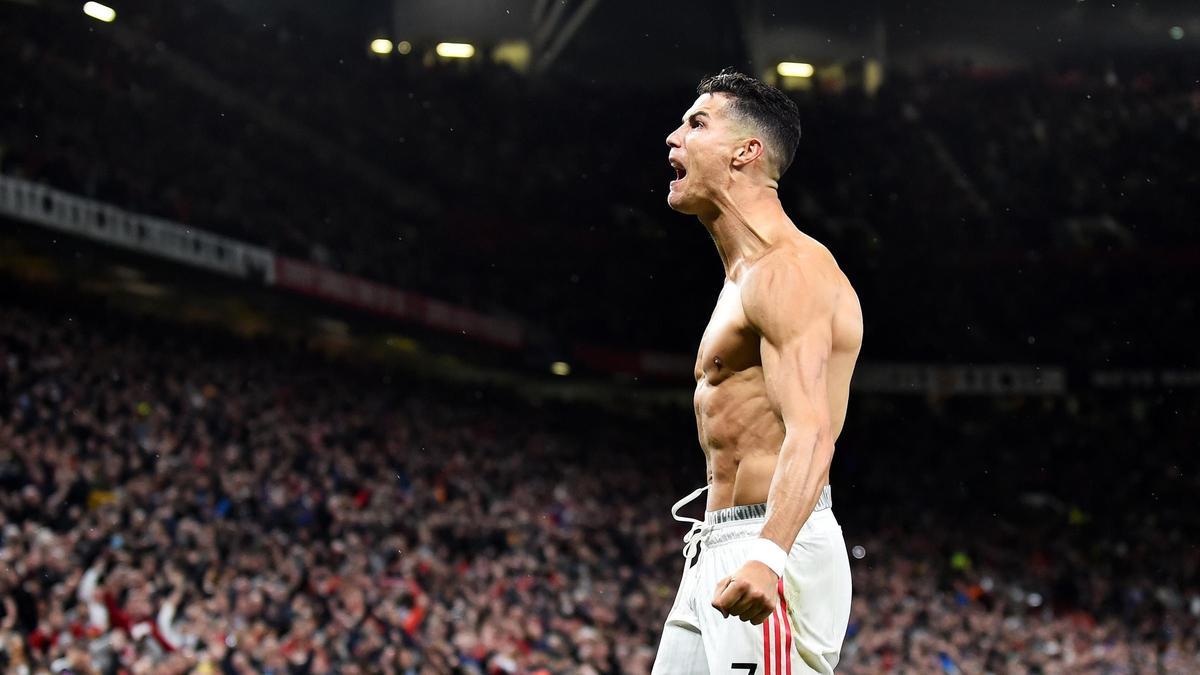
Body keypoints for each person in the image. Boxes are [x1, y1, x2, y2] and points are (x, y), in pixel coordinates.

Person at [652, 69, 863, 675]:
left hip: (770, 544)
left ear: (748, 151)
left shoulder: (788, 271)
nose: (673, 138)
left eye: (696, 124)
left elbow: (812, 432)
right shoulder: (742, 277)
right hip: (718, 547)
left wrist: (769, 554)